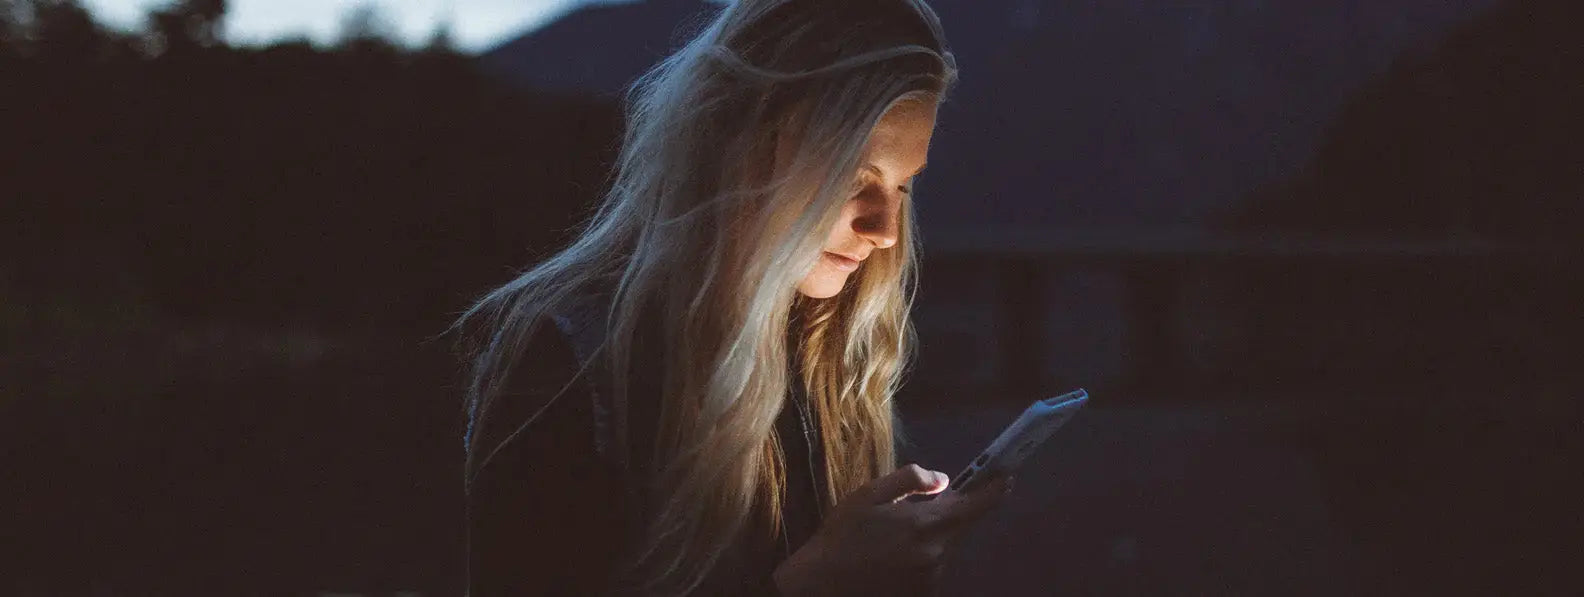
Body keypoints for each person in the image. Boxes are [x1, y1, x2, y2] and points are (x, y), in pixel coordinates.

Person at [450, 1, 1011, 594]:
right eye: (854, 176)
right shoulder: (570, 364)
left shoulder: (826, 359)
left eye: (902, 186)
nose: (887, 230)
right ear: (740, 143)